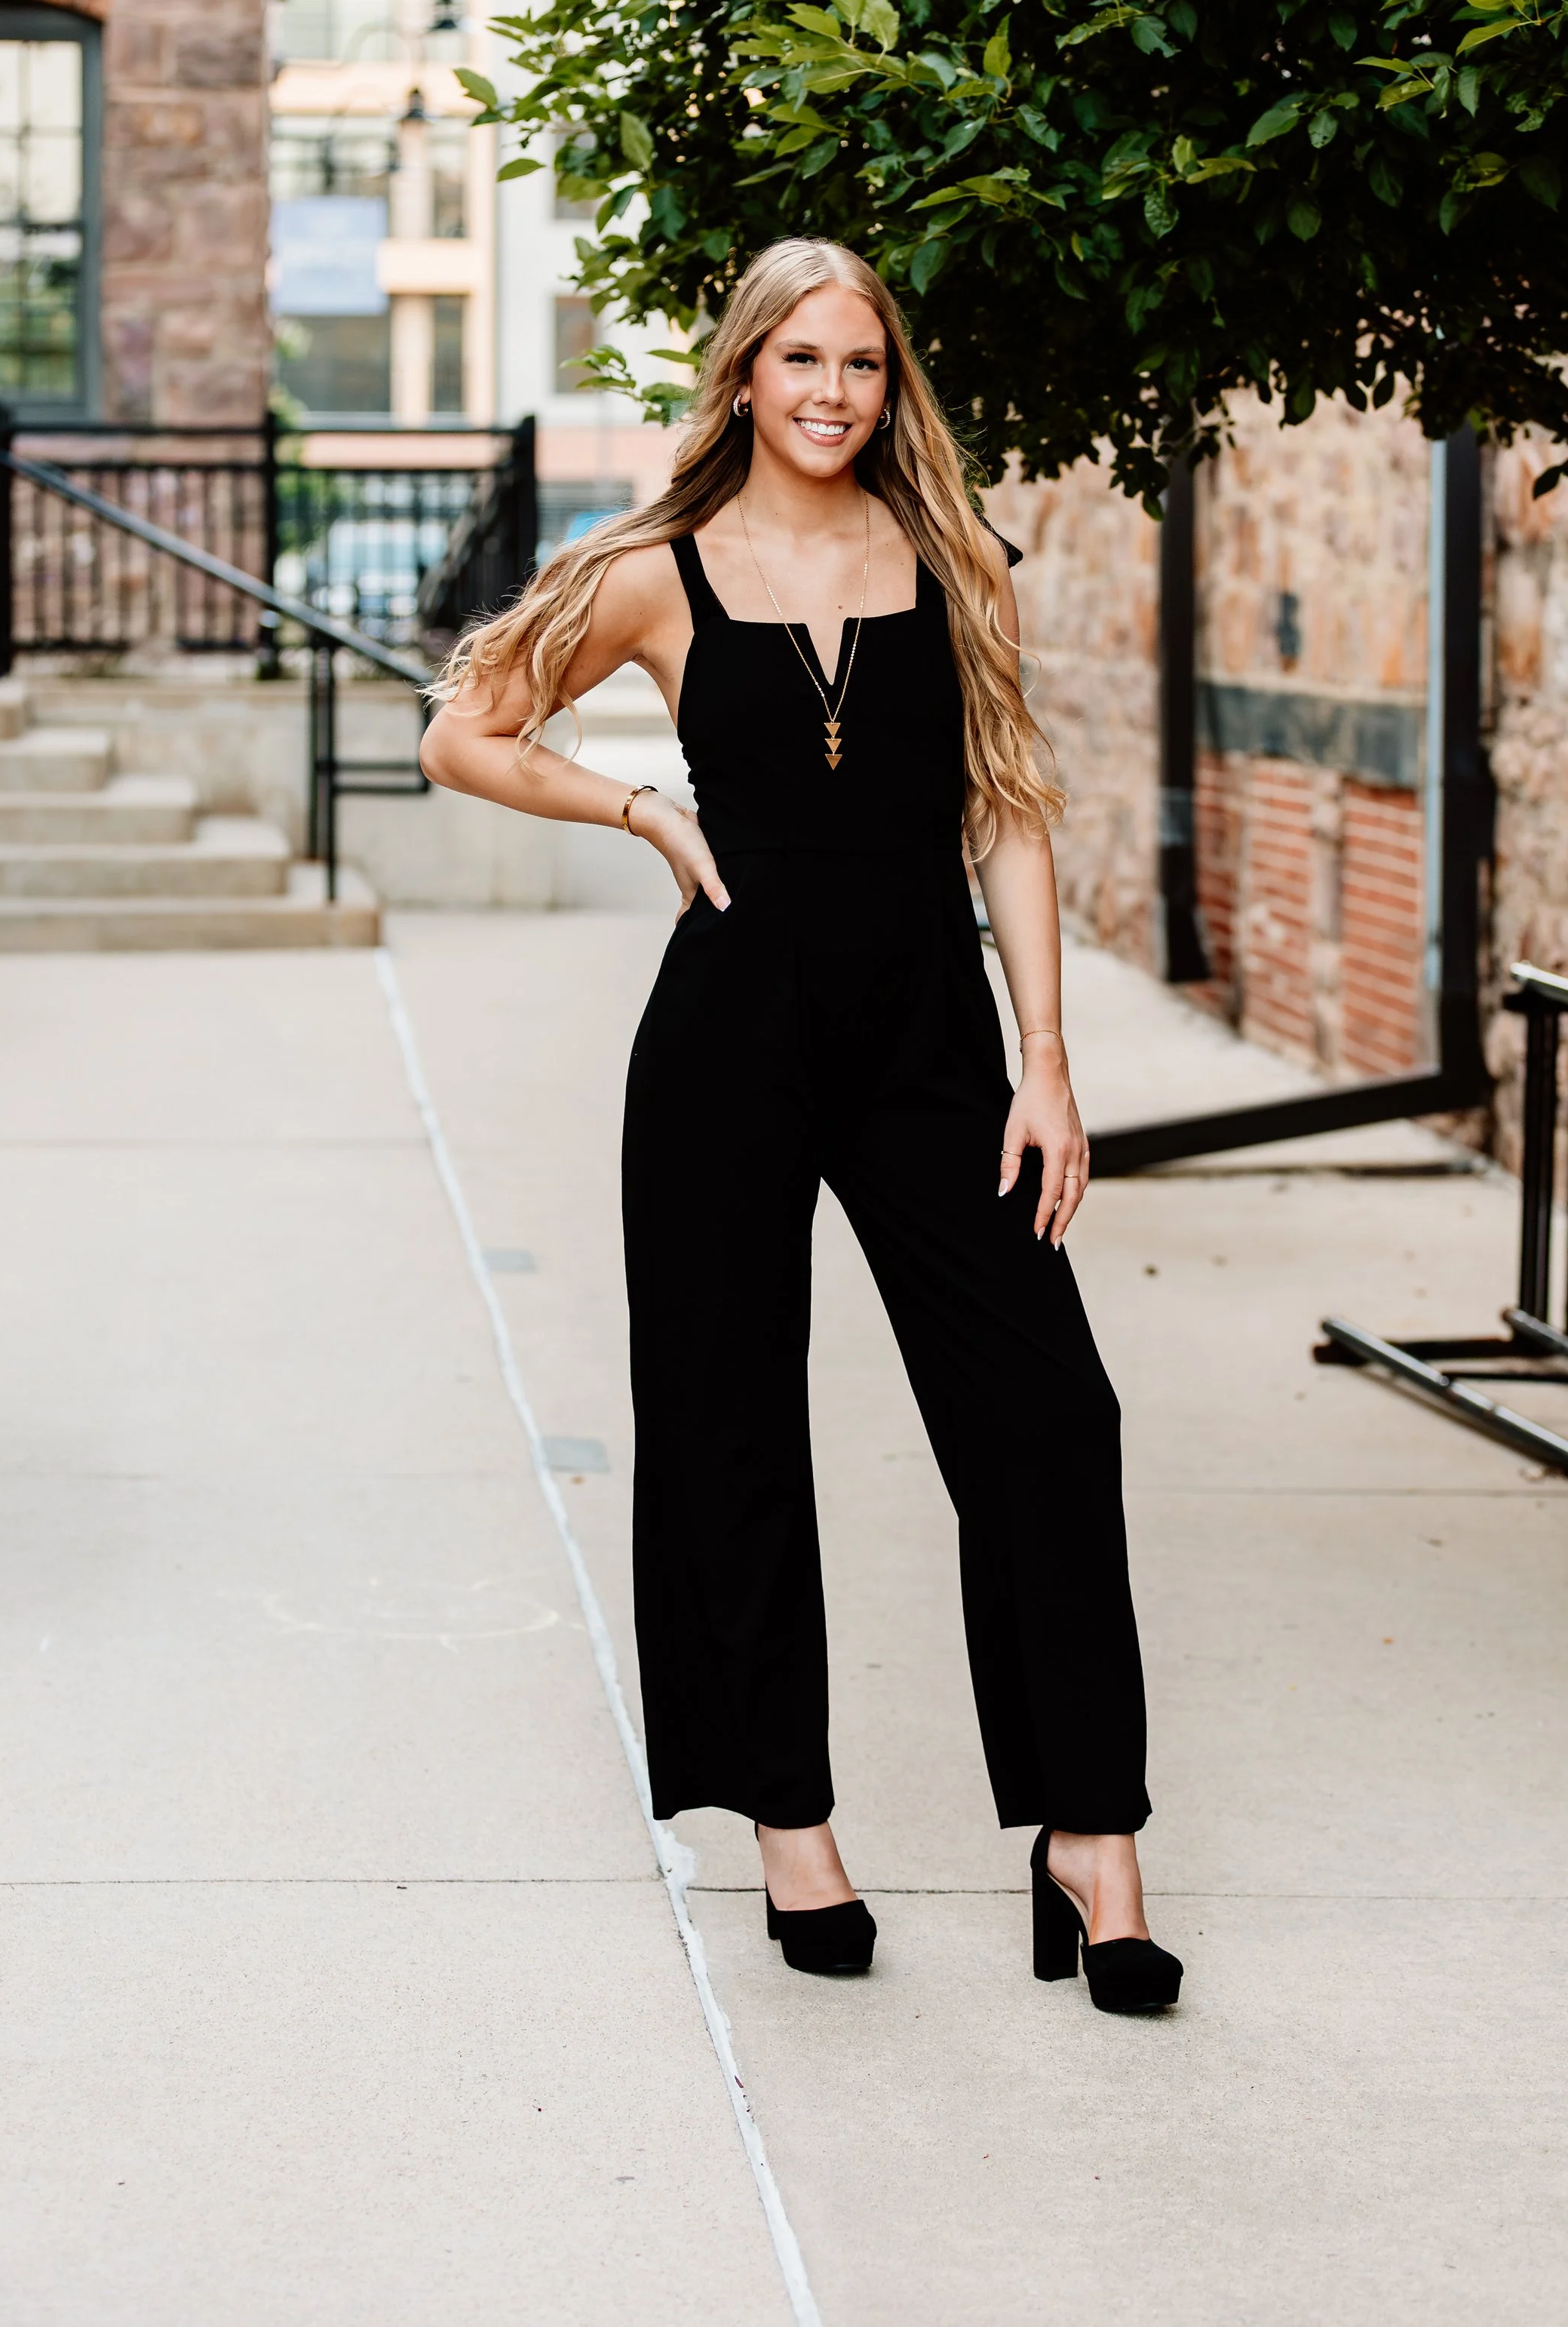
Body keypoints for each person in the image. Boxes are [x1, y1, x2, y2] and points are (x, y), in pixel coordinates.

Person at [420, 236, 1181, 2015]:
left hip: (929, 1045)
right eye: (801, 363)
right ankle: (788, 1826)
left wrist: (1046, 1057)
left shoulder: (956, 560)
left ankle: (1090, 1844)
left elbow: (1005, 803)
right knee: (726, 1427)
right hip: (727, 1041)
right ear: (743, 377)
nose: (833, 394)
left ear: (883, 381)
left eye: (861, 364)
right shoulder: (652, 574)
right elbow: (467, 731)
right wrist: (636, 810)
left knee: (1049, 1418)